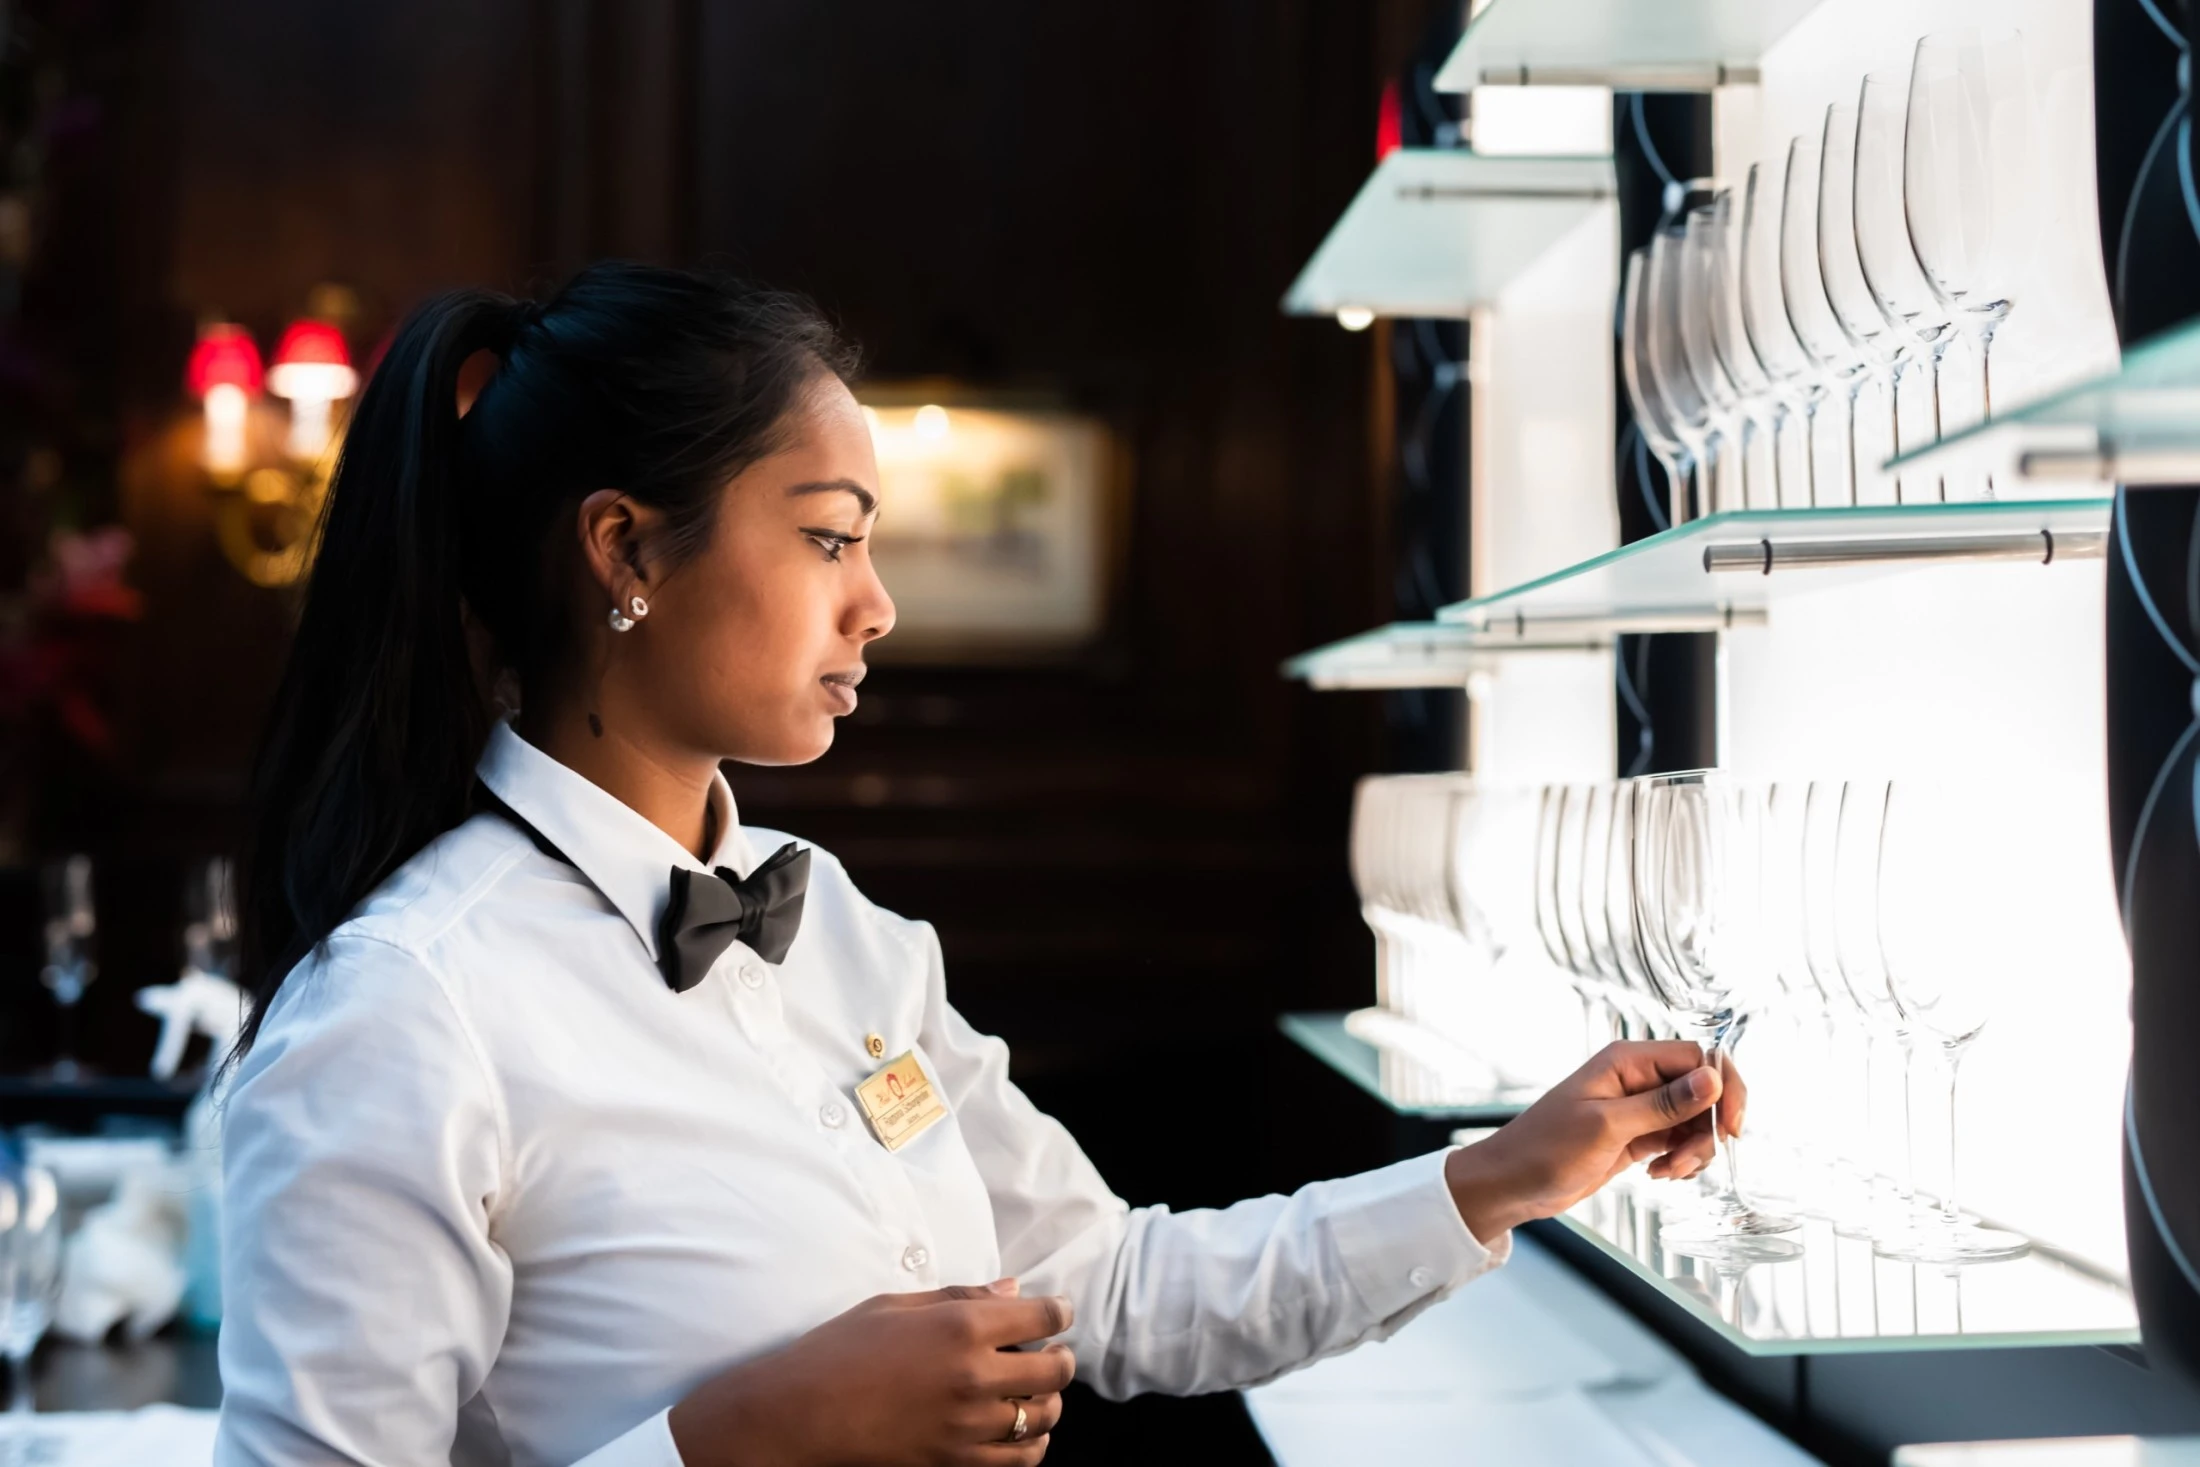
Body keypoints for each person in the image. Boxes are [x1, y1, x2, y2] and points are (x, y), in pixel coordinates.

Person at [216, 262, 1743, 1467]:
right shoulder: (406, 1010)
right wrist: (732, 1442)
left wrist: (1498, 1178)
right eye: (829, 538)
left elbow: (1111, 1287)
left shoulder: (851, 935)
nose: (878, 604)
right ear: (626, 550)